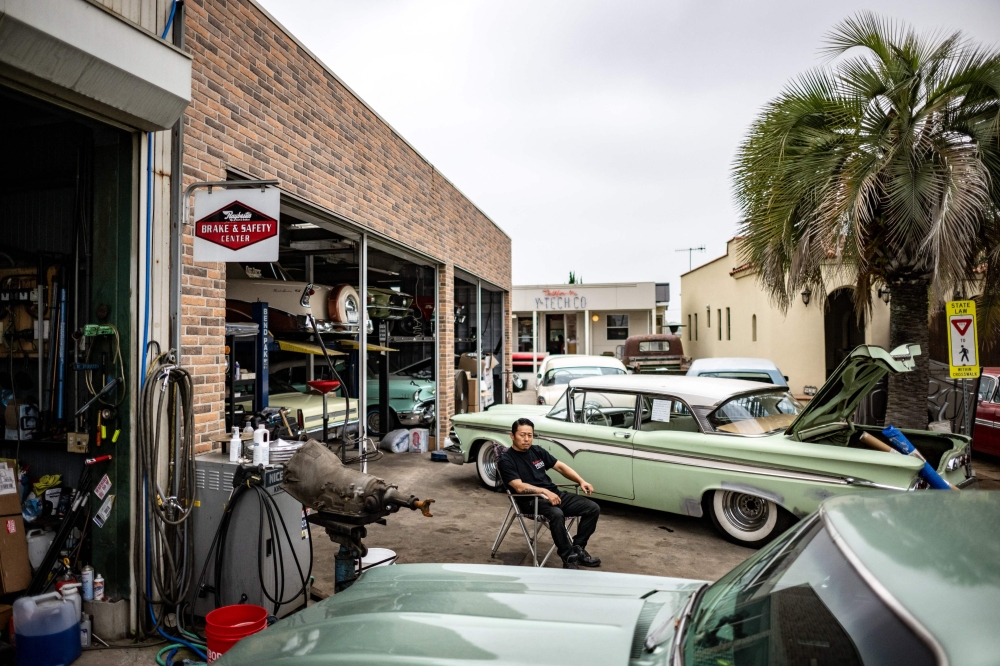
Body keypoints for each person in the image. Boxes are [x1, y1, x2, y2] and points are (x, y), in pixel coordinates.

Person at [497, 417, 601, 569]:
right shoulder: (506, 460)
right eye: (522, 435)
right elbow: (518, 487)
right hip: (530, 501)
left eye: (530, 435)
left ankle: (578, 549)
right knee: (556, 513)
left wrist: (581, 481)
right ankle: (568, 558)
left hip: (554, 494)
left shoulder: (537, 451)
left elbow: (560, 467)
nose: (526, 439)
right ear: (512, 436)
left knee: (592, 508)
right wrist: (544, 492)